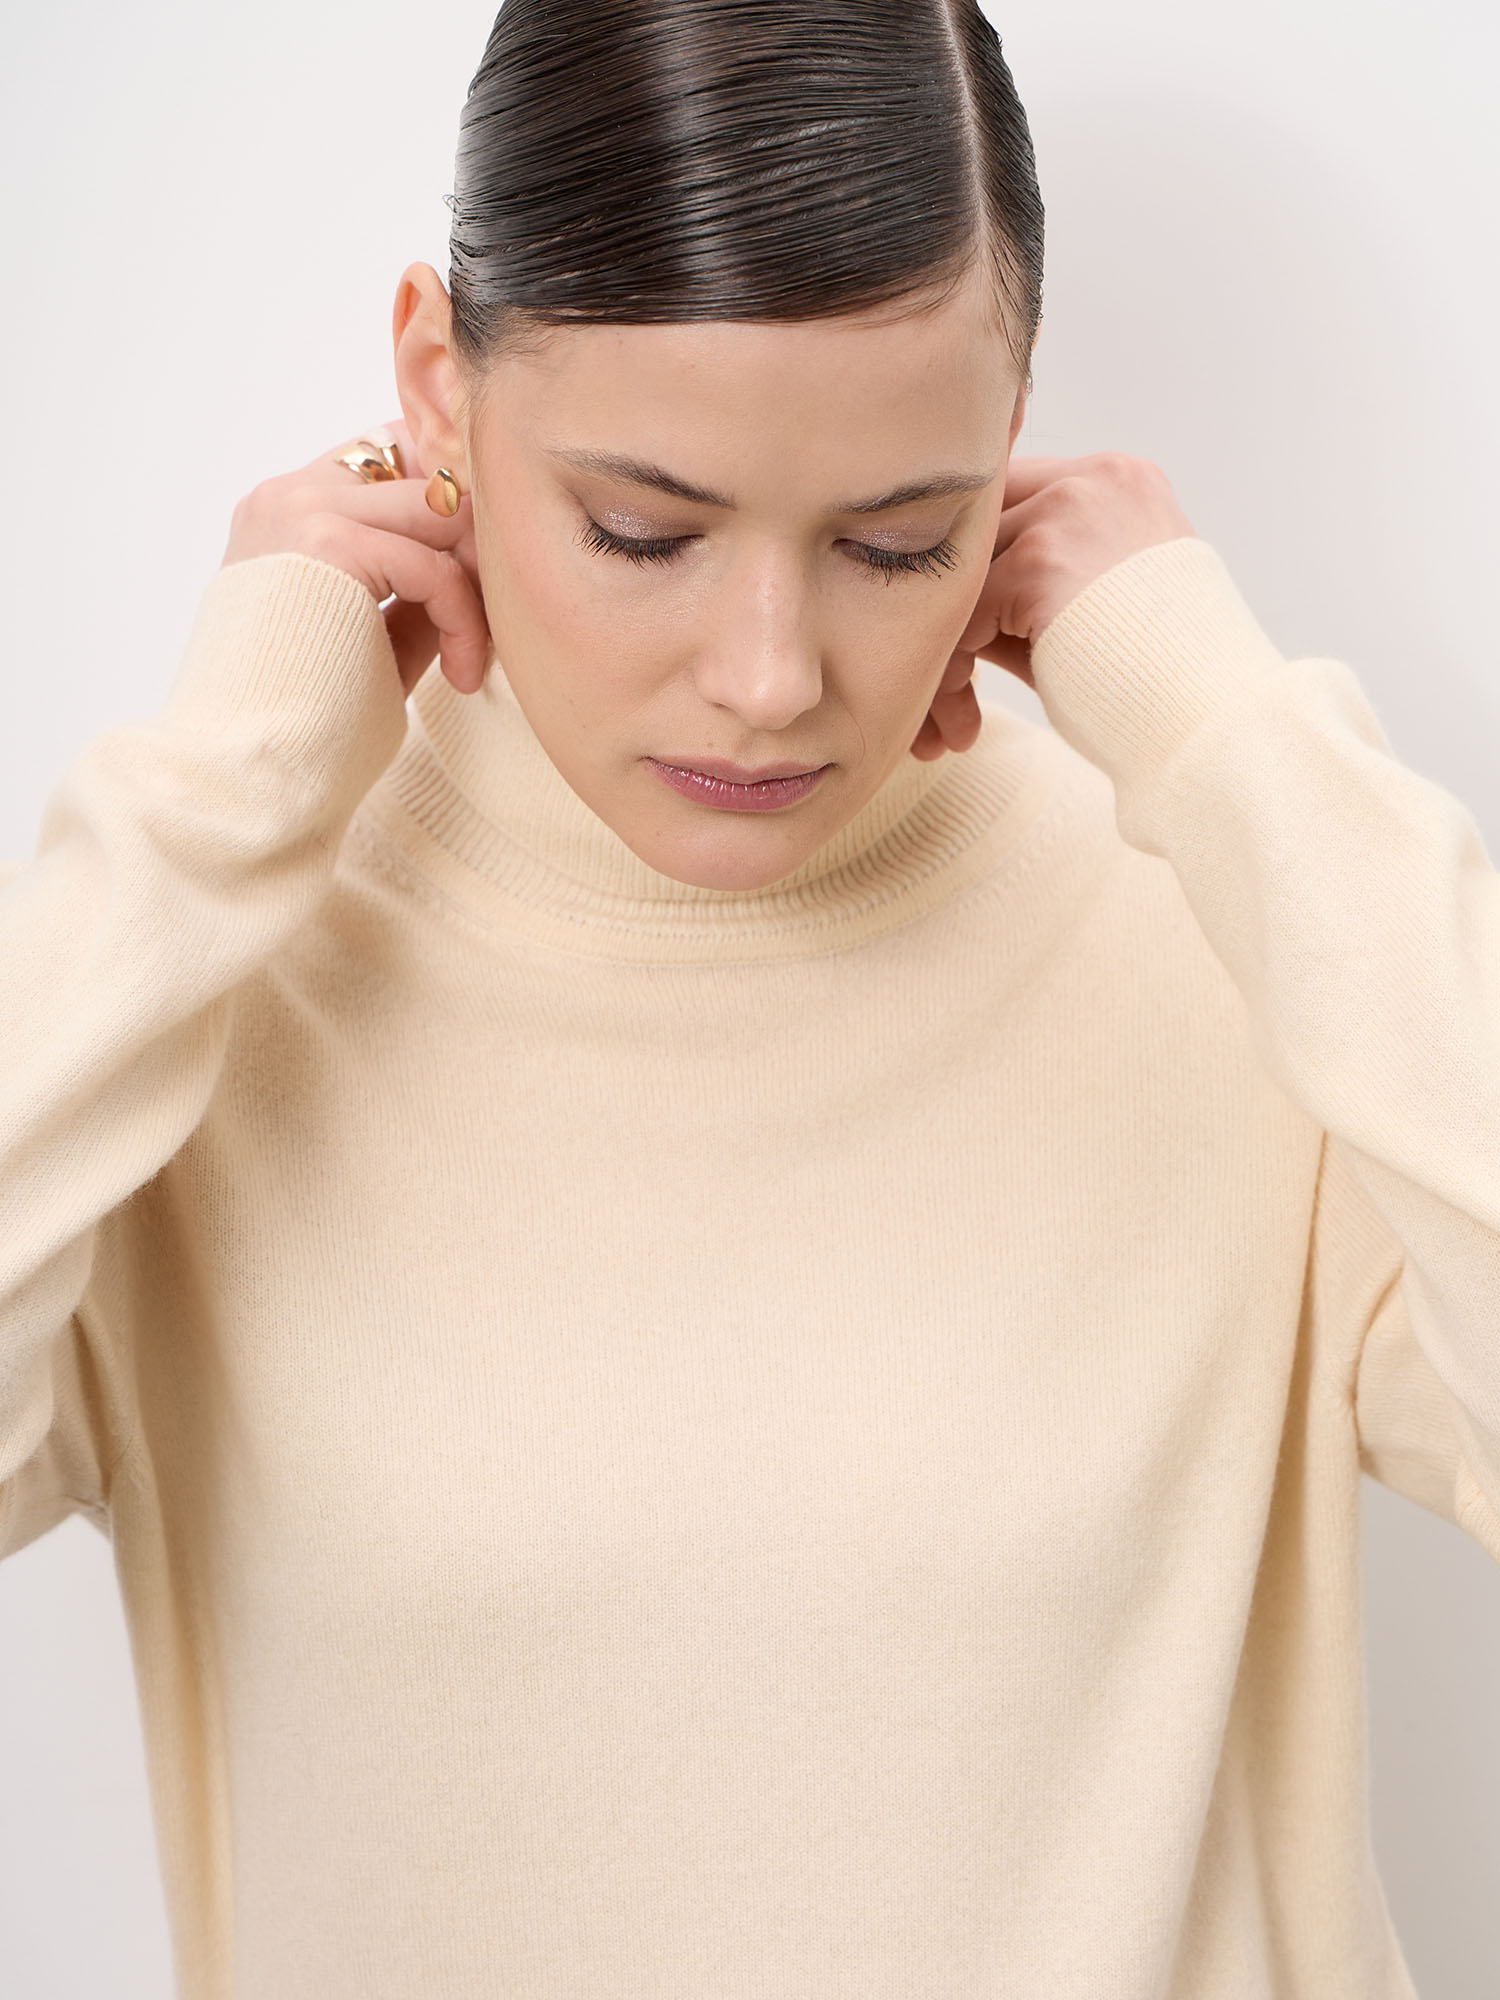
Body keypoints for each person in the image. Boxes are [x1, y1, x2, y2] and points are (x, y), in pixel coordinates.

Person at [2, 0, 1495, 1992]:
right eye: (645, 531)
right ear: (436, 390)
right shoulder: (198, 997)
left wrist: (1234, 739)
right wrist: (216, 792)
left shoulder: (1237, 934)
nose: (773, 676)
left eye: (899, 542)